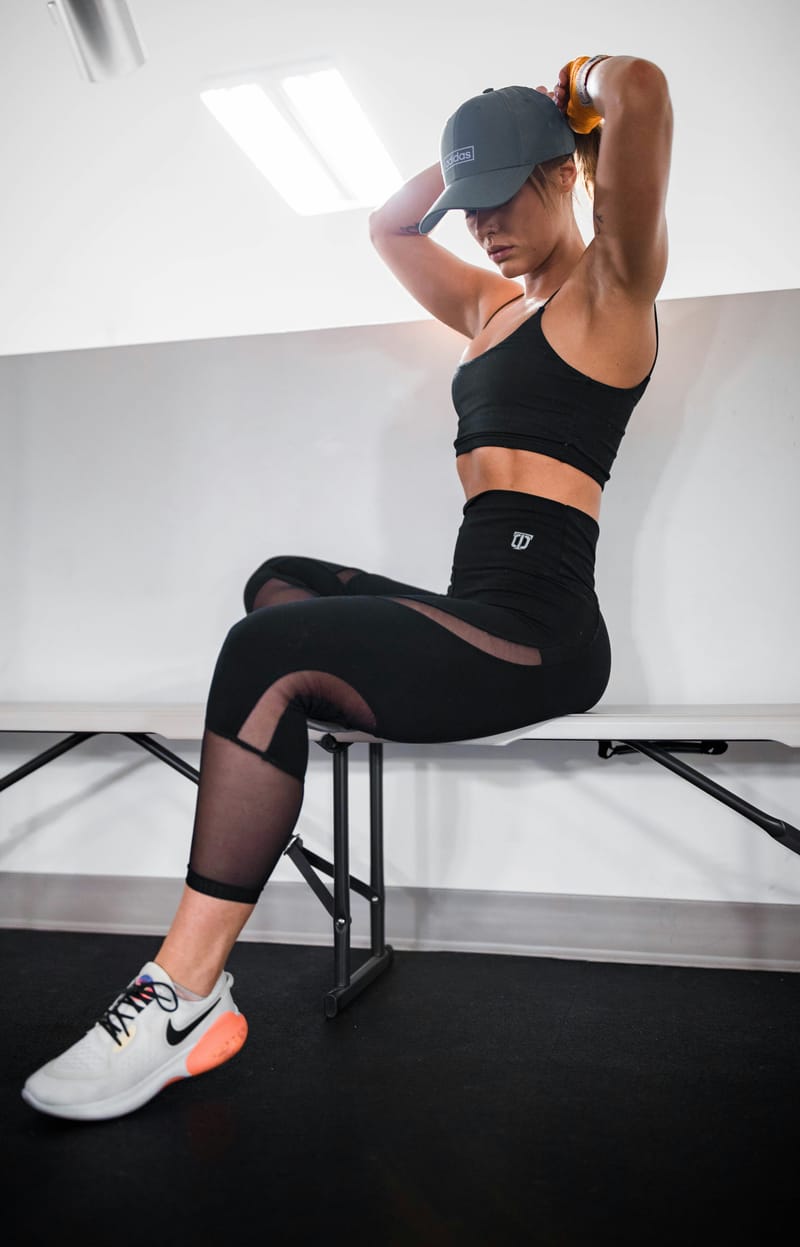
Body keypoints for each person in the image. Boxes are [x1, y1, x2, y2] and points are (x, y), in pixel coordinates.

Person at [22, 54, 673, 1120]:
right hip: (474, 608)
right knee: (276, 588)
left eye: (504, 195)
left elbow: (639, 88)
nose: (484, 227)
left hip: (543, 632)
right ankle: (301, 719)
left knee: (263, 654)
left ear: (562, 173)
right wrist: (470, 151)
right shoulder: (490, 309)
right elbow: (387, 226)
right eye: (472, 209)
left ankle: (185, 992)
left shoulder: (613, 287)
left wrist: (569, 91)